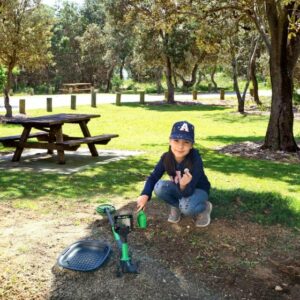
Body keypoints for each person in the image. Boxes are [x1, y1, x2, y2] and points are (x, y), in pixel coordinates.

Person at [136, 121, 212, 227]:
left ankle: (204, 208)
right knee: (159, 186)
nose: (180, 146)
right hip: (181, 188)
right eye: (176, 140)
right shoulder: (166, 158)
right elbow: (153, 177)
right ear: (170, 141)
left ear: (191, 145)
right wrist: (145, 194)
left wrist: (183, 185)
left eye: (186, 142)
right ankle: (176, 205)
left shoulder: (196, 160)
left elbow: (188, 192)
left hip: (198, 190)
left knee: (187, 208)